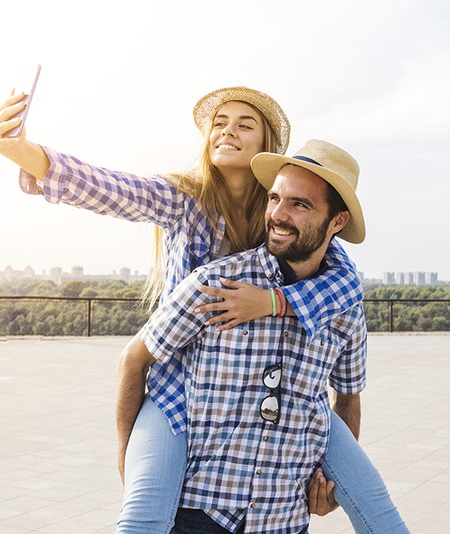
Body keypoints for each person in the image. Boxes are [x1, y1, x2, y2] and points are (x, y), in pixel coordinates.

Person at [0, 85, 402, 533]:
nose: (227, 131)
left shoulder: (297, 231)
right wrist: (31, 156)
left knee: (376, 507)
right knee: (144, 512)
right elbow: (114, 190)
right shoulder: (186, 199)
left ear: (267, 146)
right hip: (178, 389)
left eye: (244, 125)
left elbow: (345, 289)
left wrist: (273, 301)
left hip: (271, 400)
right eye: (219, 123)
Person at [117, 139, 406, 533]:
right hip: (199, 514)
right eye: (274, 198)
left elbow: (348, 396)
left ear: (337, 221)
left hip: (283, 518)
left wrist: (327, 481)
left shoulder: (344, 307)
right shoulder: (217, 284)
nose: (279, 214)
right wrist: (128, 458)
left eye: (299, 204)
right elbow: (134, 359)